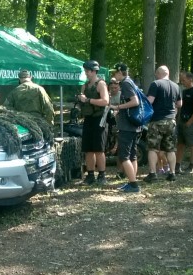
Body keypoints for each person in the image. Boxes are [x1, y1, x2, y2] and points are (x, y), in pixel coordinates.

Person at [144, 65, 181, 183]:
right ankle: (172, 173)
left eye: (156, 74)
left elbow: (150, 101)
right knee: (171, 149)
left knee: (153, 148)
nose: (156, 76)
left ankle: (152, 174)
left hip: (157, 121)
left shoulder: (155, 84)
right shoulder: (176, 86)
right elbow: (179, 104)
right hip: (171, 121)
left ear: (159, 73)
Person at [108, 62, 141, 193]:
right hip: (133, 125)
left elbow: (135, 102)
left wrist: (117, 107)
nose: (113, 75)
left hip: (127, 126)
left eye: (115, 72)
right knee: (132, 156)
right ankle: (132, 181)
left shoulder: (126, 83)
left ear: (120, 72)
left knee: (124, 156)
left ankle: (133, 185)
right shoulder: (131, 82)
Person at [77, 60, 109, 185]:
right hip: (88, 119)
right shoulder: (84, 86)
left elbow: (105, 101)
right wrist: (79, 103)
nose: (86, 73)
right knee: (88, 149)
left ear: (93, 71)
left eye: (87, 71)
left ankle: (102, 175)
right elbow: (82, 102)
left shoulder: (101, 84)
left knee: (99, 149)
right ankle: (90, 175)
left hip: (99, 119)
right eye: (85, 71)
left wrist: (88, 100)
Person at [176, 71, 193, 174]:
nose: (182, 82)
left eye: (184, 80)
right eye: (181, 80)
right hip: (181, 120)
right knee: (180, 144)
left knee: (192, 144)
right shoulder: (184, 91)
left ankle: (191, 166)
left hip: (191, 122)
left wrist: (189, 122)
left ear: (190, 79)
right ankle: (177, 165)